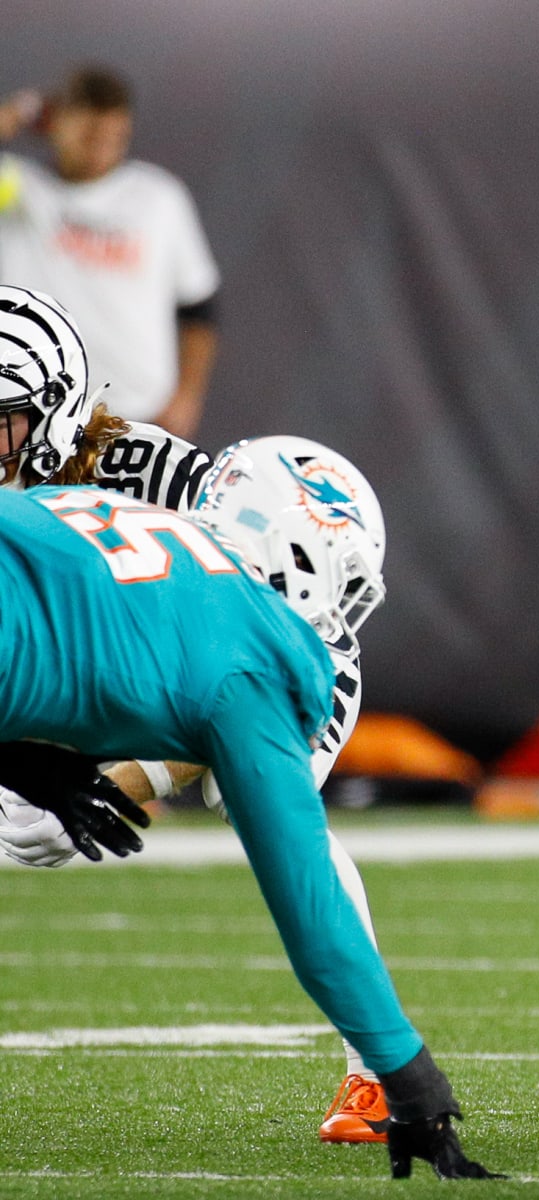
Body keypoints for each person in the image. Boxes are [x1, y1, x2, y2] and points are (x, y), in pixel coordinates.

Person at [0, 285, 397, 1147]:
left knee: (260, 807)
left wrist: (136, 776)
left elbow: (232, 669)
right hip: (90, 669)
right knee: (23, 821)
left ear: (53, 416)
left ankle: (380, 1075)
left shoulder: (162, 485)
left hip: (276, 651)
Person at [0, 64, 219, 437]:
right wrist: (20, 111)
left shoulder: (158, 197)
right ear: (55, 123)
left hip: (136, 419)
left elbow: (199, 307)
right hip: (32, 416)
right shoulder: (18, 189)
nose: (100, 149)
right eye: (88, 134)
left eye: (113, 137)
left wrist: (188, 397)